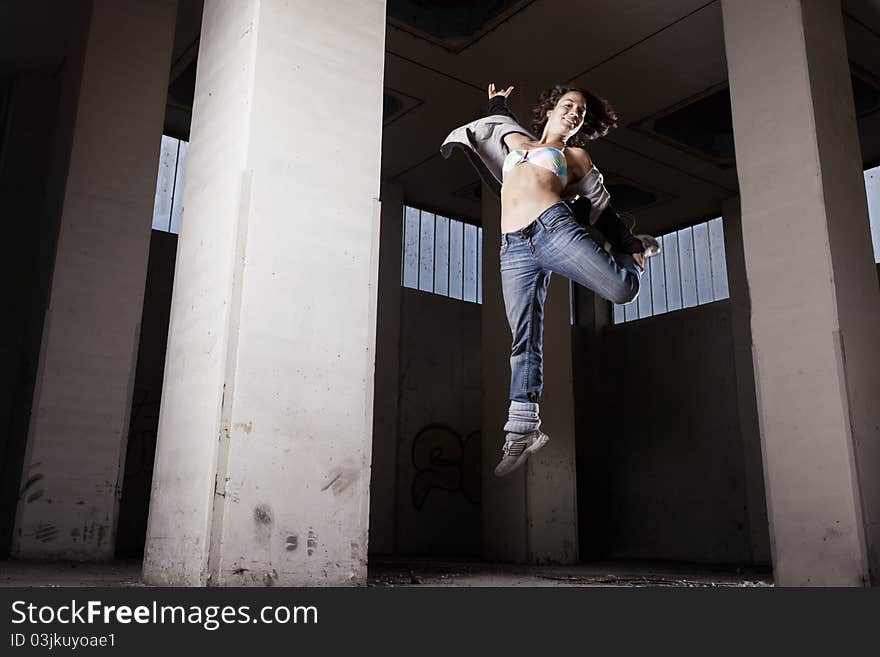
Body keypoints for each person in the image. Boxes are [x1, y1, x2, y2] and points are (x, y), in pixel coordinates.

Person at [441, 82, 659, 477]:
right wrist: (497, 101)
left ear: (581, 124)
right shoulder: (518, 140)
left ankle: (633, 253)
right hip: (514, 248)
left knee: (623, 289)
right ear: (551, 109)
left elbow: (601, 207)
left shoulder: (574, 155)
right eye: (568, 105)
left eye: (580, 112)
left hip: (554, 230)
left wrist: (626, 241)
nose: (573, 113)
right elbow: (497, 123)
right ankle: (523, 430)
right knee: (523, 338)